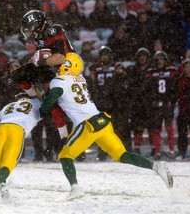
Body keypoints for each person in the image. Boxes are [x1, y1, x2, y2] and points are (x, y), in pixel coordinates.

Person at [39, 52, 173, 200]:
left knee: (65, 156)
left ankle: (75, 189)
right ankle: (156, 167)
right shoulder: (81, 79)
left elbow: (49, 102)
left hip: (88, 124)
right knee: (123, 155)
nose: (57, 66)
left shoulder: (58, 81)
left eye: (60, 64)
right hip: (103, 121)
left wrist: (43, 106)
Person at [12, 9, 74, 150]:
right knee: (18, 75)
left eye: (29, 29)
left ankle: (65, 138)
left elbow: (60, 57)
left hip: (66, 71)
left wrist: (38, 62)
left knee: (52, 103)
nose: (28, 33)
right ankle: (34, 97)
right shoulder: (42, 36)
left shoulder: (53, 30)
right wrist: (36, 61)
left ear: (37, 24)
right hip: (51, 69)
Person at [0, 93, 42, 200]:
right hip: (16, 129)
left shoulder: (8, 105)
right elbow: (46, 109)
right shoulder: (36, 103)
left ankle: (2, 186)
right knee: (8, 164)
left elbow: (0, 118)